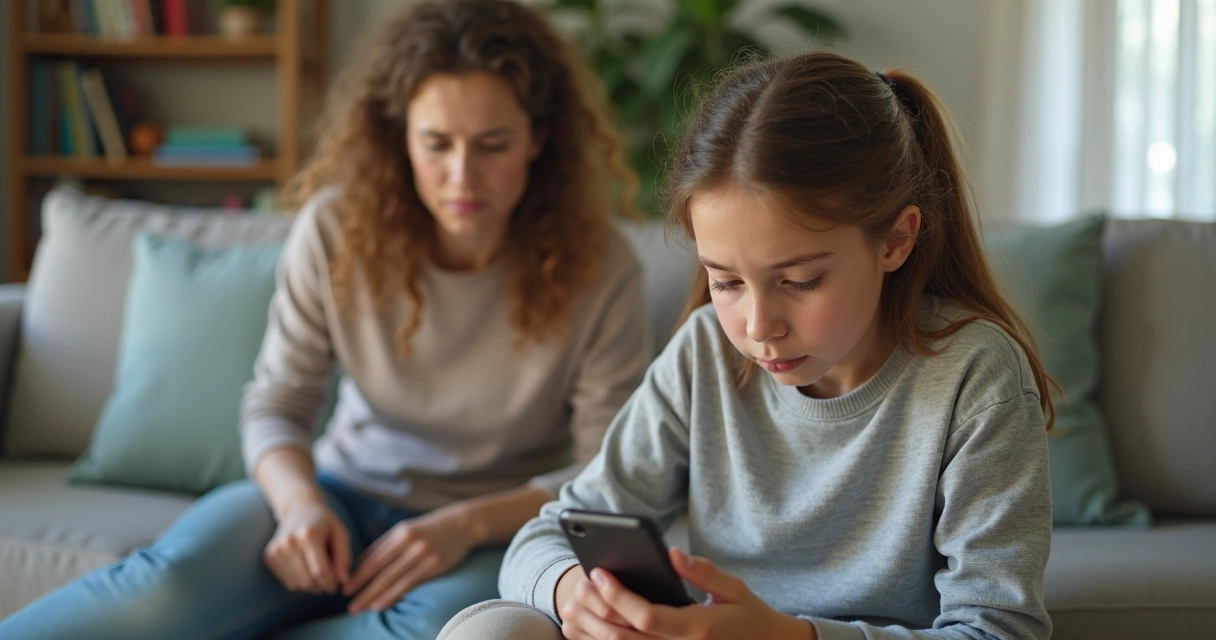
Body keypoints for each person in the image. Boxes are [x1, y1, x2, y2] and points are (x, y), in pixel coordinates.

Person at [0, 1, 649, 638]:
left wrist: (465, 525)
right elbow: (277, 402)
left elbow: (603, 470)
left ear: (538, 139)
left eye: (493, 145)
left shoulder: (602, 267)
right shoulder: (339, 230)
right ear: (399, 138)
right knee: (162, 586)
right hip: (337, 490)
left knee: (425, 628)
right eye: (436, 143)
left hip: (491, 528)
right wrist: (298, 502)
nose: (462, 175)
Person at [439, 52, 1056, 640]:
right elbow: (545, 538)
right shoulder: (707, 351)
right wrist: (573, 591)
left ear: (896, 240)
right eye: (726, 282)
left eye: (800, 281)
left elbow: (998, 629)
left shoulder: (974, 376)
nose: (758, 326)